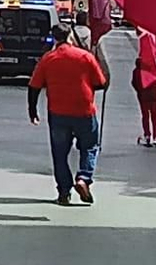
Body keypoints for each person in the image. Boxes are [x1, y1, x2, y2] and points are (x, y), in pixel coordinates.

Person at [28, 23, 110, 207]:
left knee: (60, 153)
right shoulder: (85, 56)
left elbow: (34, 86)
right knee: (89, 146)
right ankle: (83, 178)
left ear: (54, 38)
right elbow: (101, 82)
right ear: (70, 36)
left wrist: (32, 111)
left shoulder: (48, 58)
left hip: (58, 112)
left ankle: (64, 192)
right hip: (84, 110)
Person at [133, 28, 156, 148]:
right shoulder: (155, 70)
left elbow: (134, 83)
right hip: (153, 94)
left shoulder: (137, 71)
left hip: (142, 95)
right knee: (154, 115)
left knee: (145, 115)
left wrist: (139, 90)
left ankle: (147, 135)